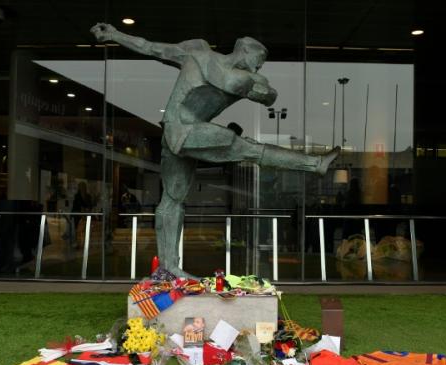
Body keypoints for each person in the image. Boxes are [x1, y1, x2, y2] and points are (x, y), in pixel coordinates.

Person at [91, 24, 339, 277]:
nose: (257, 68)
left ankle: (168, 269)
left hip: (183, 135)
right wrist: (115, 35)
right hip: (181, 131)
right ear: (244, 50)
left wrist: (260, 87)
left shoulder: (235, 72)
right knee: (247, 151)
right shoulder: (199, 52)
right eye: (258, 61)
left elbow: (269, 96)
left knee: (172, 200)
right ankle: (315, 164)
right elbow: (152, 48)